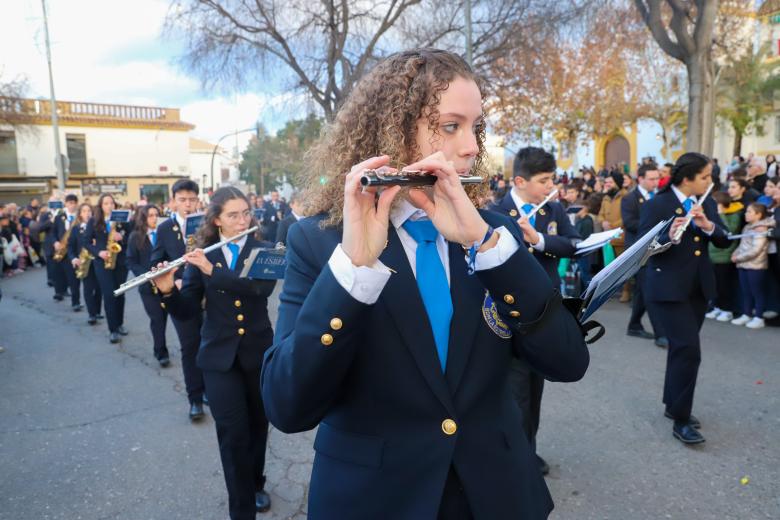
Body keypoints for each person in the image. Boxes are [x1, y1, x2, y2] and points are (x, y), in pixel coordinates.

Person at [261, 49, 589, 519]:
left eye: (475, 126)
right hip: (375, 499)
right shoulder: (318, 241)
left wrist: (489, 250)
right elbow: (287, 405)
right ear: (391, 132)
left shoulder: (494, 232)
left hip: (494, 495)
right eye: (450, 125)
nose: (472, 145)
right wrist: (354, 269)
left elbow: (567, 361)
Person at [154, 187, 277, 519]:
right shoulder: (202, 253)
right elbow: (187, 311)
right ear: (217, 220)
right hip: (219, 360)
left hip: (257, 353)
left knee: (257, 425)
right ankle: (241, 508)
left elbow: (258, 289)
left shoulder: (265, 249)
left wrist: (212, 270)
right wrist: (167, 291)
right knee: (232, 434)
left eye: (245, 213)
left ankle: (255, 482)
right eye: (233, 216)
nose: (242, 221)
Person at [491, 146, 580, 475]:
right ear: (519, 181)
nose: (550, 187)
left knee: (535, 388)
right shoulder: (496, 211)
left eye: (552, 179)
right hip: (509, 318)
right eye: (544, 180)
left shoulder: (552, 210)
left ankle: (529, 448)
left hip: (545, 314)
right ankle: (517, 456)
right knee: (516, 394)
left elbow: (573, 243)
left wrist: (540, 239)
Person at [638, 152, 730, 445]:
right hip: (668, 289)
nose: (709, 181)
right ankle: (681, 419)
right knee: (689, 350)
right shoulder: (658, 204)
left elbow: (723, 238)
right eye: (705, 176)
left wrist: (707, 225)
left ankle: (671, 403)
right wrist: (669, 237)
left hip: (698, 288)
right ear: (687, 178)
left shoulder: (708, 202)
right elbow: (643, 248)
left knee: (681, 350)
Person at [150, 179, 206, 421]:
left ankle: (209, 389)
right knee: (189, 346)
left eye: (192, 199)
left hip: (207, 295)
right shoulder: (165, 229)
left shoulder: (206, 226)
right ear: (173, 201)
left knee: (209, 343)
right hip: (180, 295)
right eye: (182, 200)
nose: (188, 204)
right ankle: (195, 398)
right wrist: (173, 280)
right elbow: (154, 261)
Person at [620, 163, 667, 347]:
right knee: (649, 289)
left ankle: (634, 325)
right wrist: (655, 226)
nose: (656, 182)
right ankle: (660, 333)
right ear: (640, 179)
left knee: (642, 290)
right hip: (639, 250)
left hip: (657, 247)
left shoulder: (660, 197)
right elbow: (630, 223)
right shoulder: (630, 199)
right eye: (652, 179)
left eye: (657, 178)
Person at [85, 194, 132, 344]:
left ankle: (119, 324)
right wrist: (98, 252)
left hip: (120, 262)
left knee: (120, 293)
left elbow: (132, 236)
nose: (109, 206)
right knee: (109, 295)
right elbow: (85, 241)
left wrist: (122, 237)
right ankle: (113, 330)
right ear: (101, 206)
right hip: (102, 262)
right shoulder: (94, 221)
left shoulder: (122, 219)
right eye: (106, 203)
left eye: (111, 203)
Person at [127, 205, 170, 367]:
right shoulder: (135, 237)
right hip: (147, 287)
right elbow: (130, 261)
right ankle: (161, 352)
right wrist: (146, 276)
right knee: (157, 318)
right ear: (143, 218)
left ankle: (161, 347)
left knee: (165, 318)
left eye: (156, 215)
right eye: (150, 215)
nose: (154, 218)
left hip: (165, 283)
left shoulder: (165, 235)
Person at [729, 203, 774, 329]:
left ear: (758, 214)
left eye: (749, 212)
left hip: (756, 266)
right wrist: (735, 253)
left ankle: (759, 317)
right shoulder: (748, 227)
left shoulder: (762, 228)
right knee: (746, 292)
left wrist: (738, 257)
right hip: (743, 264)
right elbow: (742, 244)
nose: (746, 214)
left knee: (757, 292)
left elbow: (756, 250)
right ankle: (746, 314)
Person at [706, 191, 742, 323]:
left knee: (724, 285)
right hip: (712, 255)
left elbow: (729, 231)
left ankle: (727, 310)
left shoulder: (733, 215)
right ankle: (717, 306)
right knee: (715, 285)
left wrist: (720, 214)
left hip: (724, 256)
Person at [68, 202, 103, 325]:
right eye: (84, 211)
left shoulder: (98, 226)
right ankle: (91, 314)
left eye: (89, 211)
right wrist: (73, 258)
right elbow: (70, 247)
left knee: (99, 288)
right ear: (80, 214)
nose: (87, 213)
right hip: (85, 262)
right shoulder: (76, 229)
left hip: (98, 260)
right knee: (88, 289)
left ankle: (98, 311)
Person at [53, 194, 83, 312]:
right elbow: (53, 232)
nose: (72, 205)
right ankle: (62, 293)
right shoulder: (59, 217)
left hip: (76, 251)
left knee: (75, 278)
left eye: (74, 203)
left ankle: (76, 302)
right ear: (65, 204)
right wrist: (55, 242)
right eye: (70, 203)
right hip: (62, 251)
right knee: (66, 276)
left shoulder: (79, 217)